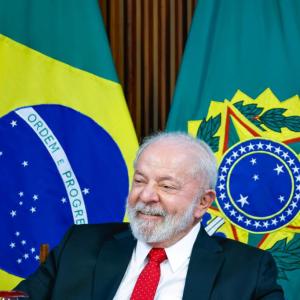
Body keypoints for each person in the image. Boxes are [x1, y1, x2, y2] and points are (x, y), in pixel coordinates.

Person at [15, 132, 284, 300]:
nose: (146, 196)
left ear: (203, 202)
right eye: (140, 181)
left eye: (166, 186)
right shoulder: (80, 244)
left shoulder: (248, 271)